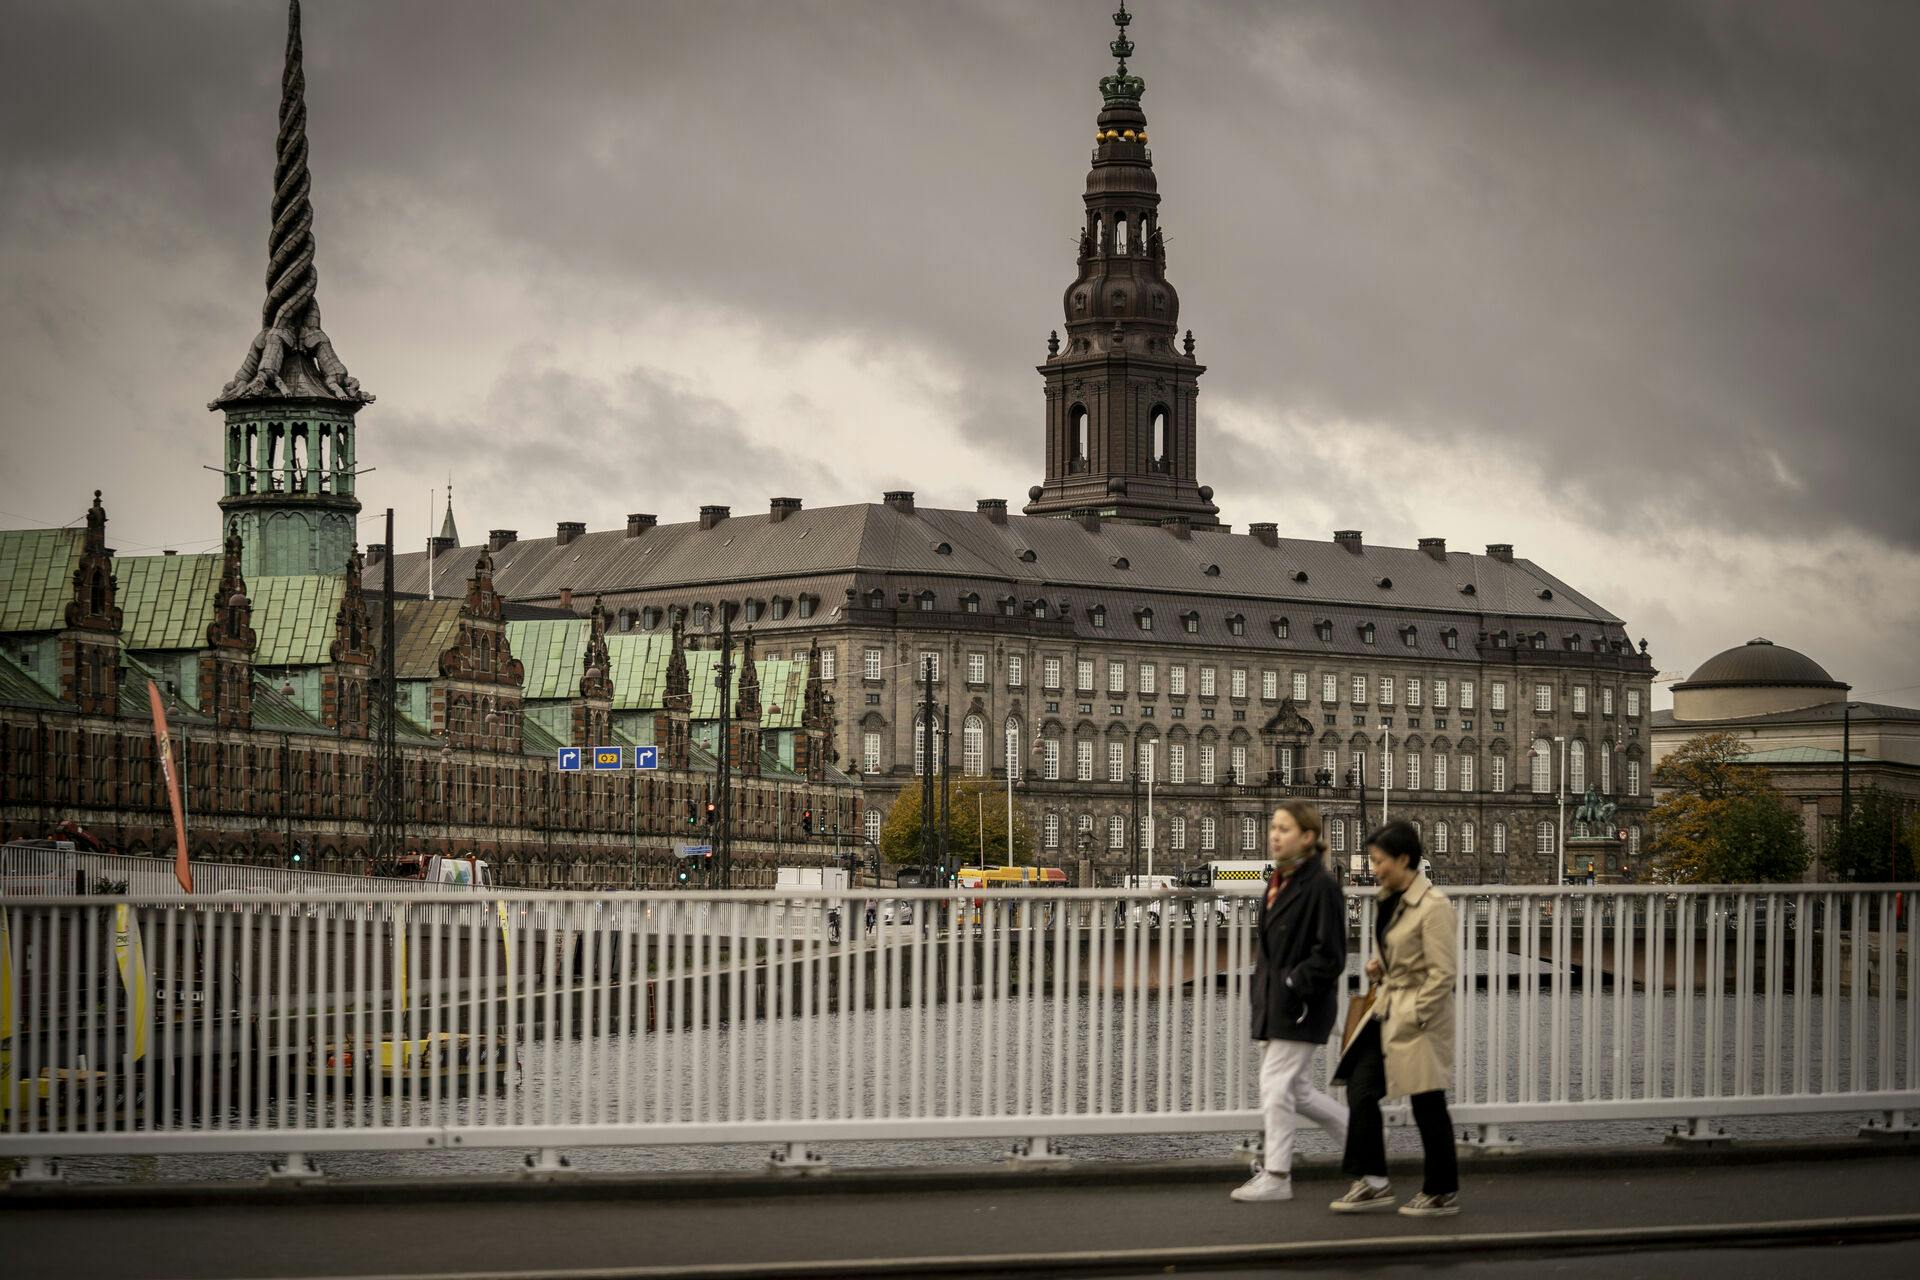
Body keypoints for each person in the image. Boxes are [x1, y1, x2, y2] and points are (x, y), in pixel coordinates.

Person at [1330, 820, 1461, 1217]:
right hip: (1386, 1007)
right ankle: (1373, 1179)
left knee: (1427, 1102)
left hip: (1418, 1016)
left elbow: (1444, 972)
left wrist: (1417, 1013)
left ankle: (1441, 1190)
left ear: (1404, 859)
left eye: (1379, 860)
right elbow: (1398, 954)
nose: (1373, 868)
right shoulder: (1388, 898)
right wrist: (1380, 968)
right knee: (1360, 1085)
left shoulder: (1434, 906)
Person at [1232, 800, 1349, 1202]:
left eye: (1284, 828)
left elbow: (1331, 955)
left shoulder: (1321, 886)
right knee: (1296, 1090)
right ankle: (1366, 1144)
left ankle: (1278, 1176)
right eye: (1273, 827)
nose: (1275, 835)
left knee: (1276, 1085)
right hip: (1279, 1002)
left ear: (1308, 837)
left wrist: (1293, 985)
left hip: (1301, 1004)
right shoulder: (1280, 880)